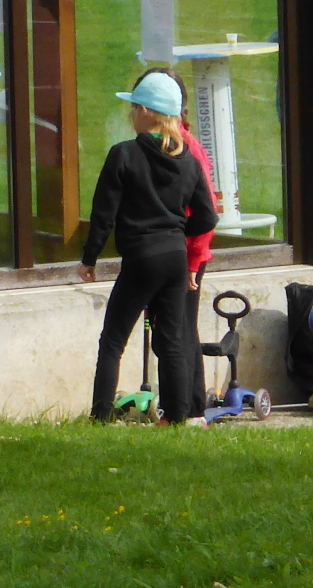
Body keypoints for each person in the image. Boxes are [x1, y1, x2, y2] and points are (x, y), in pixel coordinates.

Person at [81, 72, 216, 423]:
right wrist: (178, 234)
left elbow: (103, 215)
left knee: (113, 340)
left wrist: (90, 258)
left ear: (143, 111)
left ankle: (100, 416)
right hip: (175, 259)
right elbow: (207, 217)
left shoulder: (124, 154)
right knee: (171, 342)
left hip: (141, 258)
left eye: (133, 109)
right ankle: (177, 418)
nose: (131, 115)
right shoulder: (189, 161)